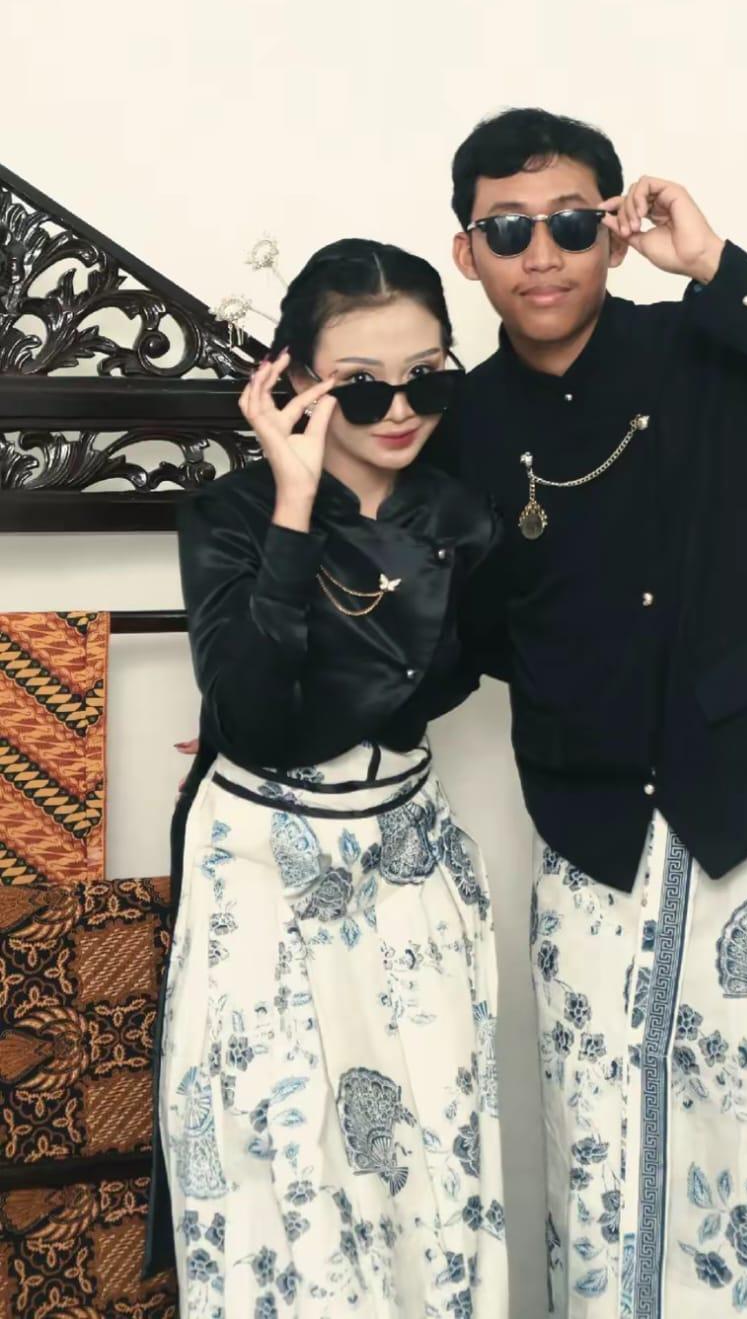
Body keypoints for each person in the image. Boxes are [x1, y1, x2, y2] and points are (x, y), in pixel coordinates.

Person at [436, 108, 747, 1318]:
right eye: (507, 229)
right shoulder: (462, 428)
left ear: (612, 231)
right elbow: (458, 636)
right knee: (600, 1140)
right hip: (590, 823)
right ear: (467, 253)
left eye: (568, 223)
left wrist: (713, 265)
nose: (541, 253)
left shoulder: (707, 344)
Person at [146, 240, 508, 1318]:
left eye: (426, 379)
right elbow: (257, 724)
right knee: (278, 1168)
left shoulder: (462, 514)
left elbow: (458, 676)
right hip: (263, 866)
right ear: (295, 380)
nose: (398, 410)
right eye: (360, 386)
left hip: (406, 858)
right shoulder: (230, 516)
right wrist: (296, 504)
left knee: (430, 1164)